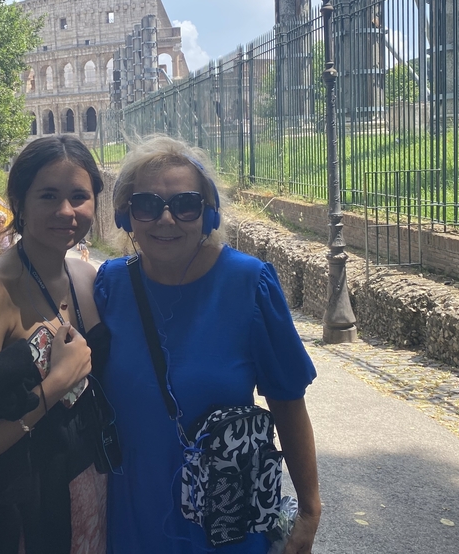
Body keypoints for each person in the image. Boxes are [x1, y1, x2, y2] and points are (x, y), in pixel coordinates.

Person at [93, 135, 320, 554]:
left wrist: (309, 512)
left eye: (185, 204)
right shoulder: (110, 285)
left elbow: (288, 401)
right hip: (133, 518)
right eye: (147, 205)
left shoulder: (249, 284)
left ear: (208, 214)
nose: (166, 219)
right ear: (126, 216)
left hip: (225, 523)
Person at [0, 135, 110, 554]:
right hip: (17, 515)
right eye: (48, 195)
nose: (66, 211)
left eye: (79, 197)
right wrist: (56, 384)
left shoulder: (87, 279)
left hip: (87, 495)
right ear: (20, 202)